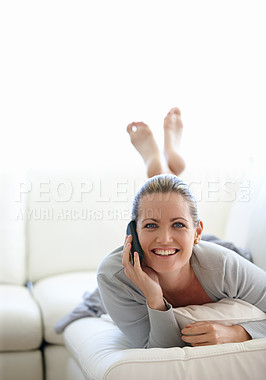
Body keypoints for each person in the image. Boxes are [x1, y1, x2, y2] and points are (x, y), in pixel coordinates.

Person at [97, 107, 266, 349]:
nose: (164, 238)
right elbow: (157, 351)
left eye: (177, 224)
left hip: (206, 250)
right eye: (150, 225)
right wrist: (155, 299)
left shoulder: (226, 266)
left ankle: (159, 171)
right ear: (132, 233)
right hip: (182, 251)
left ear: (197, 232)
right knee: (168, 208)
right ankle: (162, 171)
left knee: (168, 211)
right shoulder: (114, 278)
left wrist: (239, 334)